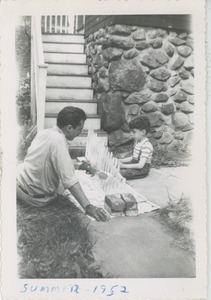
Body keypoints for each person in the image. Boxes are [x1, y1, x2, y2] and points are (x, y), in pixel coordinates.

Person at [16, 106, 109, 222]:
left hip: (19, 183)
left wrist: (78, 166)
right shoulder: (58, 140)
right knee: (67, 184)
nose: (80, 133)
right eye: (79, 129)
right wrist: (88, 206)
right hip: (34, 198)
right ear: (69, 128)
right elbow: (70, 180)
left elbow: (49, 162)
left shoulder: (45, 132)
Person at [119, 115, 153, 180]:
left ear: (143, 132)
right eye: (131, 131)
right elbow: (133, 158)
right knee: (116, 166)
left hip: (142, 169)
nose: (131, 134)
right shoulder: (137, 142)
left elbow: (140, 165)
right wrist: (120, 160)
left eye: (134, 132)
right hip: (134, 163)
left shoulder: (146, 146)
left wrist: (123, 166)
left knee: (122, 172)